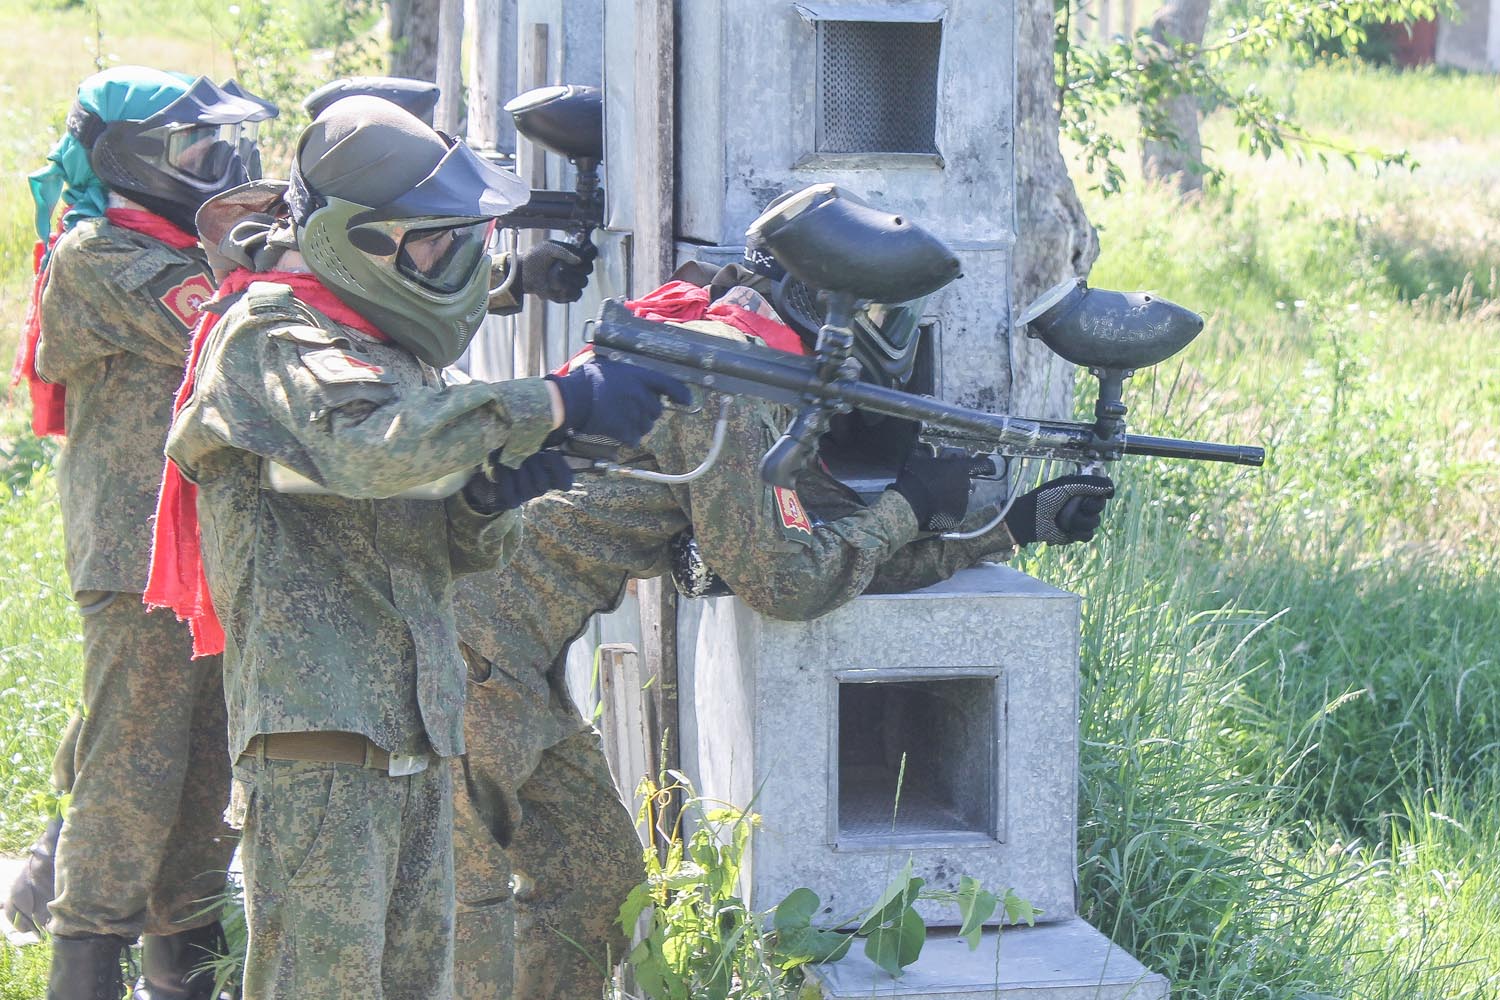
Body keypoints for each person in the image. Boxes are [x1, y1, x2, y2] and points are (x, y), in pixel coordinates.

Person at [448, 186, 1114, 998]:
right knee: (461, 921)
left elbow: (805, 551)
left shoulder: (731, 359)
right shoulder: (725, 379)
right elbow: (788, 582)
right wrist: (909, 504)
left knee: (593, 885)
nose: (885, 336)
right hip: (470, 656)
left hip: (514, 659)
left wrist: (1009, 530)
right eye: (875, 313)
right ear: (817, 304)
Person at [152, 95, 686, 1000]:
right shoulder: (270, 333)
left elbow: (443, 548)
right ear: (357, 239)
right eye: (435, 240)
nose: (456, 260)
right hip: (320, 748)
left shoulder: (383, 350)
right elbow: (369, 450)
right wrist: (554, 402)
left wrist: (490, 492)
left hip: (417, 736)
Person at [6, 66, 273, 1000]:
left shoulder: (179, 245)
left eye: (218, 143)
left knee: (202, 784)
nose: (217, 160)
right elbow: (233, 327)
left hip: (202, 552)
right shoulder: (102, 255)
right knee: (130, 779)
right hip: (135, 557)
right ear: (127, 157)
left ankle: (180, 977)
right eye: (193, 146)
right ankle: (82, 960)